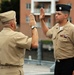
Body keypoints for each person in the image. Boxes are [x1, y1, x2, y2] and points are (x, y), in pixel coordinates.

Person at [0, 10, 38, 75]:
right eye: (15, 21)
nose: (16, 22)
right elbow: (34, 44)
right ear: (12, 24)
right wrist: (33, 26)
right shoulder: (16, 36)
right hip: (13, 72)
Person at [39, 4, 74, 75]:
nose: (56, 15)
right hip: (57, 64)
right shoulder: (56, 27)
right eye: (56, 13)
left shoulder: (72, 29)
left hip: (69, 64)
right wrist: (42, 20)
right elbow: (47, 33)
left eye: (59, 14)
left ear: (66, 16)